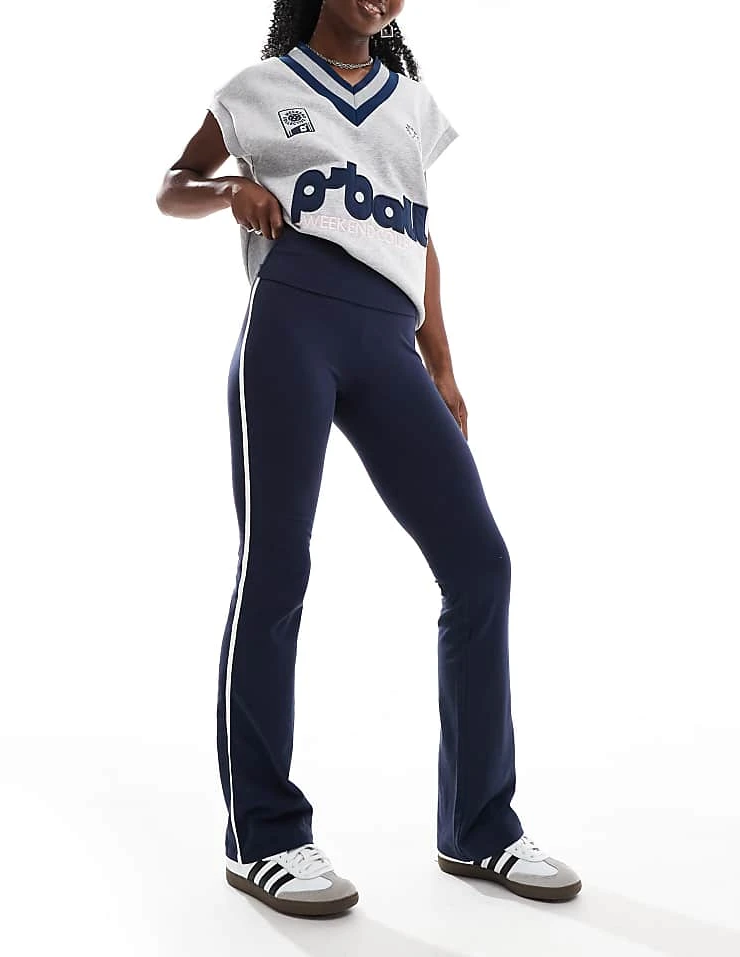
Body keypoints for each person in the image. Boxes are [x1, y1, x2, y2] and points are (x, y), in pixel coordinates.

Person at [156, 0, 582, 918]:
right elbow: (172, 184)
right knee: (276, 567)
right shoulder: (258, 89)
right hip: (291, 324)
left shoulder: (412, 104)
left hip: (389, 341)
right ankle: (263, 837)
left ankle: (479, 825)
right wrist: (229, 192)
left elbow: (418, 236)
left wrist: (443, 365)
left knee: (480, 565)